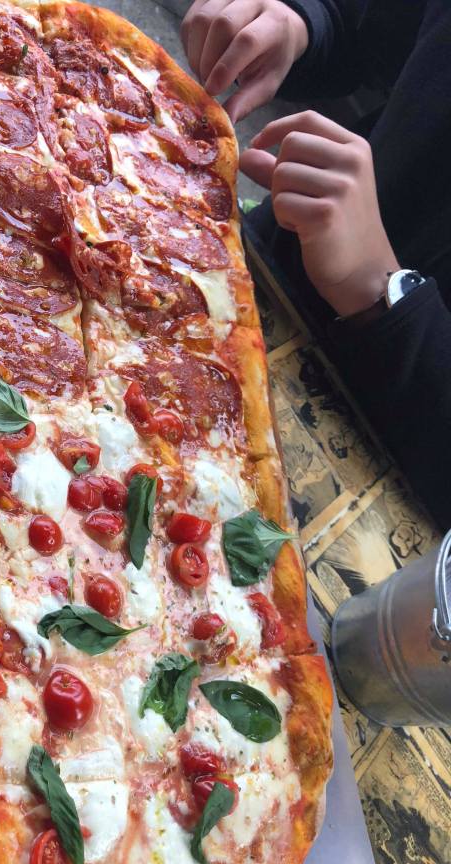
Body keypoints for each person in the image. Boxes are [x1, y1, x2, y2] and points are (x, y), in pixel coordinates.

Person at [180, 0, 451, 528]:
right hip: (243, 269)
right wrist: (302, 24)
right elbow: (378, 29)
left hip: (387, 476)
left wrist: (380, 291)